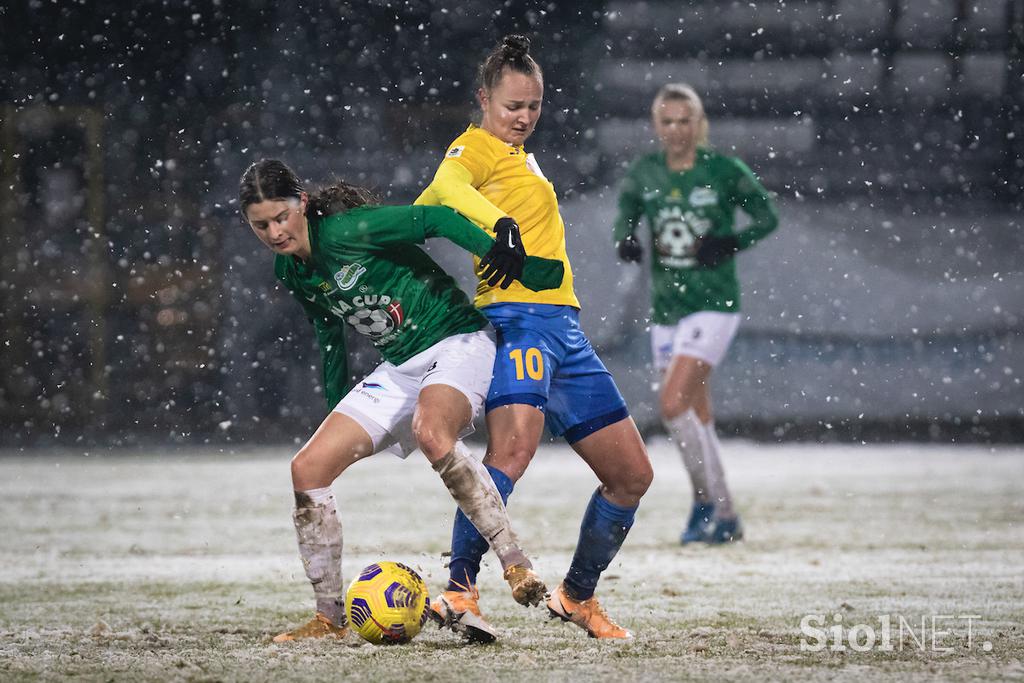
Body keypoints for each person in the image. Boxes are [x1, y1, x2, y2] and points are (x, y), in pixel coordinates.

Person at [239, 158, 565, 642]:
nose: (274, 232)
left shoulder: (350, 228)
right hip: (401, 367)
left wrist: (494, 248)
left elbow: (434, 219)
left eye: (281, 217)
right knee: (307, 470)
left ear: (302, 203)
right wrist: (337, 404)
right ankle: (330, 619)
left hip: (458, 341)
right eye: (260, 225)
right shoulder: (290, 269)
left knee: (432, 434)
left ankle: (516, 564)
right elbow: (328, 332)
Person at [416, 35, 653, 642]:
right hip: (518, 322)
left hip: (563, 328)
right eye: (511, 106)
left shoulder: (519, 158)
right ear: (483, 100)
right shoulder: (475, 146)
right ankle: (459, 588)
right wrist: (493, 228)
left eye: (534, 106)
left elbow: (430, 211)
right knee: (512, 454)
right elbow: (442, 191)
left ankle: (576, 596)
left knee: (631, 475)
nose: (523, 118)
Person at [612, 83, 779, 545]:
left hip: (714, 304)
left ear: (699, 124)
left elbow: (767, 216)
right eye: (667, 121)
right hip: (667, 308)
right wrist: (625, 238)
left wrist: (731, 242)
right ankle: (725, 515)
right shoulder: (645, 172)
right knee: (697, 414)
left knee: (671, 404)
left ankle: (704, 501)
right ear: (656, 125)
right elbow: (625, 212)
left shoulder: (723, 171)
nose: (676, 130)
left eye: (685, 121)